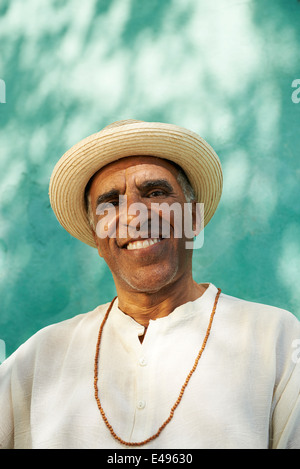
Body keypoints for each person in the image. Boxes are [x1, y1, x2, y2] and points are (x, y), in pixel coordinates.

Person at [0, 120, 299, 449]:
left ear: (194, 218)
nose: (135, 215)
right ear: (98, 238)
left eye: (155, 193)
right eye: (111, 203)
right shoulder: (41, 357)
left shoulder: (276, 339)